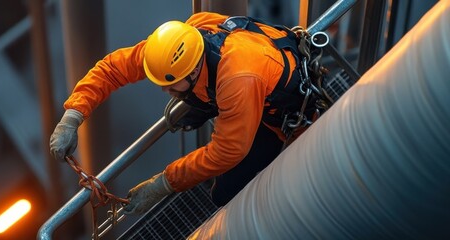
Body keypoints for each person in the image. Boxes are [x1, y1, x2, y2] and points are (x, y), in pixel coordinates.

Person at [50, 12, 315, 215]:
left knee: (225, 193)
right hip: (251, 86)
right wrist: (73, 115)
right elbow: (112, 69)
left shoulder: (237, 78)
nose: (164, 90)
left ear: (192, 71)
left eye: (169, 84)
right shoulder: (183, 41)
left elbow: (228, 151)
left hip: (280, 121)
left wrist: (164, 183)